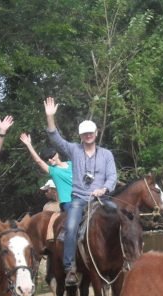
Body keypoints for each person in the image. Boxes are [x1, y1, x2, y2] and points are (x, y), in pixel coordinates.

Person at [43, 97, 117, 286]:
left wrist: (104, 189)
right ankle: (70, 269)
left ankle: (122, 260)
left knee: (121, 217)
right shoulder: (74, 150)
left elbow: (112, 177)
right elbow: (55, 138)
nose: (88, 136)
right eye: (84, 133)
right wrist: (50, 117)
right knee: (70, 227)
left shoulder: (106, 154)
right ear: (81, 136)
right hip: (79, 199)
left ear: (96, 133)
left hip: (101, 199)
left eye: (90, 132)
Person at [19, 133, 73, 212]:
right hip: (68, 202)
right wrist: (29, 145)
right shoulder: (53, 171)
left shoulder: (71, 164)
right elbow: (39, 161)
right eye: (47, 159)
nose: (50, 160)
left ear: (57, 154)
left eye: (51, 157)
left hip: (83, 197)